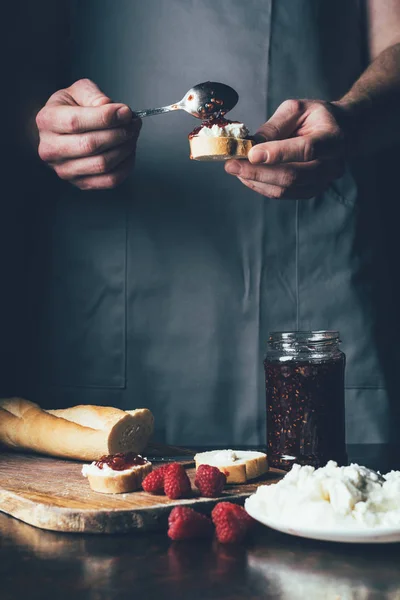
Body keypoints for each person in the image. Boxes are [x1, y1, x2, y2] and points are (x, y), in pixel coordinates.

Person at [13, 1, 400, 446]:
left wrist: (351, 117)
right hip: (123, 277)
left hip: (317, 267)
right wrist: (44, 125)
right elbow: (22, 53)